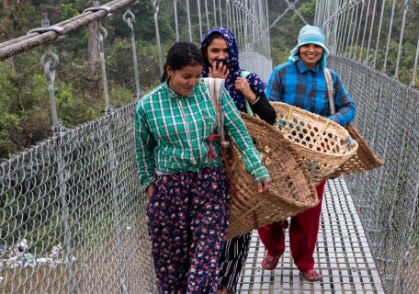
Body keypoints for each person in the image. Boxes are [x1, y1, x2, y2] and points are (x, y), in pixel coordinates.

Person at [134, 42, 271, 293]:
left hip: (209, 183)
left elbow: (238, 132)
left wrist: (258, 169)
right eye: (187, 76)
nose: (193, 82)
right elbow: (143, 151)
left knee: (204, 263)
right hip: (169, 190)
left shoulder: (214, 91)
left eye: (198, 76)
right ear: (169, 71)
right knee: (170, 268)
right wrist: (149, 187)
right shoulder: (148, 105)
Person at [258, 25, 356, 282]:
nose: (311, 51)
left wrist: (331, 121)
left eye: (316, 46)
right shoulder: (281, 73)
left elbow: (349, 106)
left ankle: (304, 262)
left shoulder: (330, 78)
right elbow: (269, 108)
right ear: (298, 48)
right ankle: (274, 248)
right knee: (273, 201)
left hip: (317, 153)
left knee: (308, 209)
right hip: (282, 149)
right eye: (306, 46)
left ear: (322, 50)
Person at [200, 27, 276, 294]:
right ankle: (205, 279)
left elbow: (270, 118)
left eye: (225, 51)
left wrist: (251, 96)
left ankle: (227, 284)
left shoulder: (246, 79)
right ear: (205, 53)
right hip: (205, 162)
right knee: (208, 224)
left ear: (233, 51)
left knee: (240, 222)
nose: (220, 56)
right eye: (214, 51)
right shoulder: (192, 79)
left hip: (242, 163)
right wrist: (212, 85)